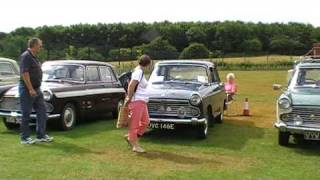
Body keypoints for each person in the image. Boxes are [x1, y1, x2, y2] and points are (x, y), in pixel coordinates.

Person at [19, 37, 53, 144]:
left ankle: (41, 135)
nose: (41, 47)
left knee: (42, 112)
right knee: (26, 113)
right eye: (40, 45)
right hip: (27, 89)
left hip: (37, 89)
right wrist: (30, 89)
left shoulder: (34, 57)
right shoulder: (26, 56)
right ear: (34, 45)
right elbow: (25, 73)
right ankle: (25, 138)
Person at [123, 54, 152, 153]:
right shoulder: (139, 72)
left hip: (142, 102)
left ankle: (130, 137)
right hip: (137, 101)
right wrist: (129, 98)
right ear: (147, 64)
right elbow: (131, 85)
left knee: (145, 122)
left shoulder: (139, 71)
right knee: (134, 125)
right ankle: (135, 145)